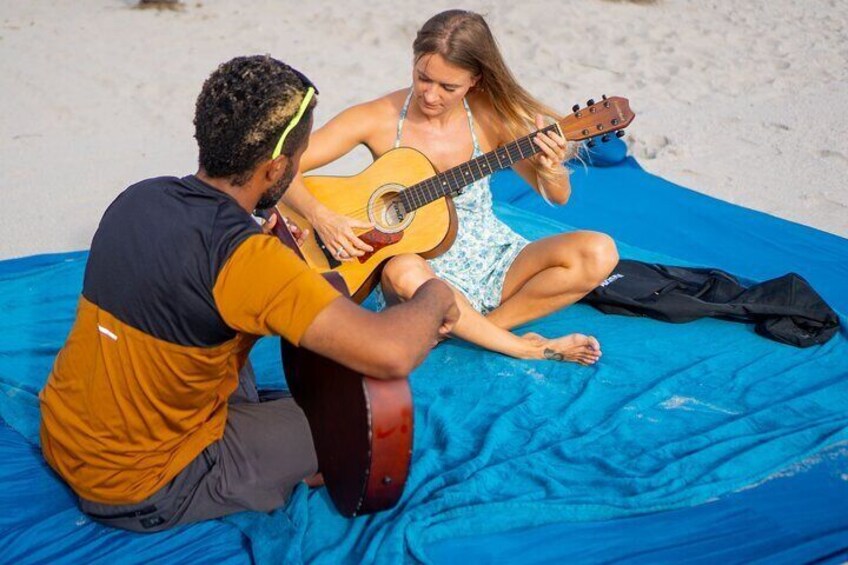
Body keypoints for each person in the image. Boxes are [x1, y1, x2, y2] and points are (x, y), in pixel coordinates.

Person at [38, 55, 458, 532]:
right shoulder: (247, 259)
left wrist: (257, 234)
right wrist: (436, 294)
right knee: (352, 433)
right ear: (277, 167)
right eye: (298, 160)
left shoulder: (140, 196)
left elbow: (189, 269)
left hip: (62, 434)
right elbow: (389, 354)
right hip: (136, 485)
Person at [282, 10, 619, 366]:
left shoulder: (490, 117)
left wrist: (552, 168)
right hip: (420, 277)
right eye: (423, 78)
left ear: (474, 79)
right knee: (401, 270)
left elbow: (558, 197)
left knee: (599, 251)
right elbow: (282, 166)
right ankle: (525, 347)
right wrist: (320, 216)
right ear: (413, 59)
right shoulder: (376, 117)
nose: (430, 95)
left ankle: (482, 329)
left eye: (448, 87)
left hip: (492, 258)